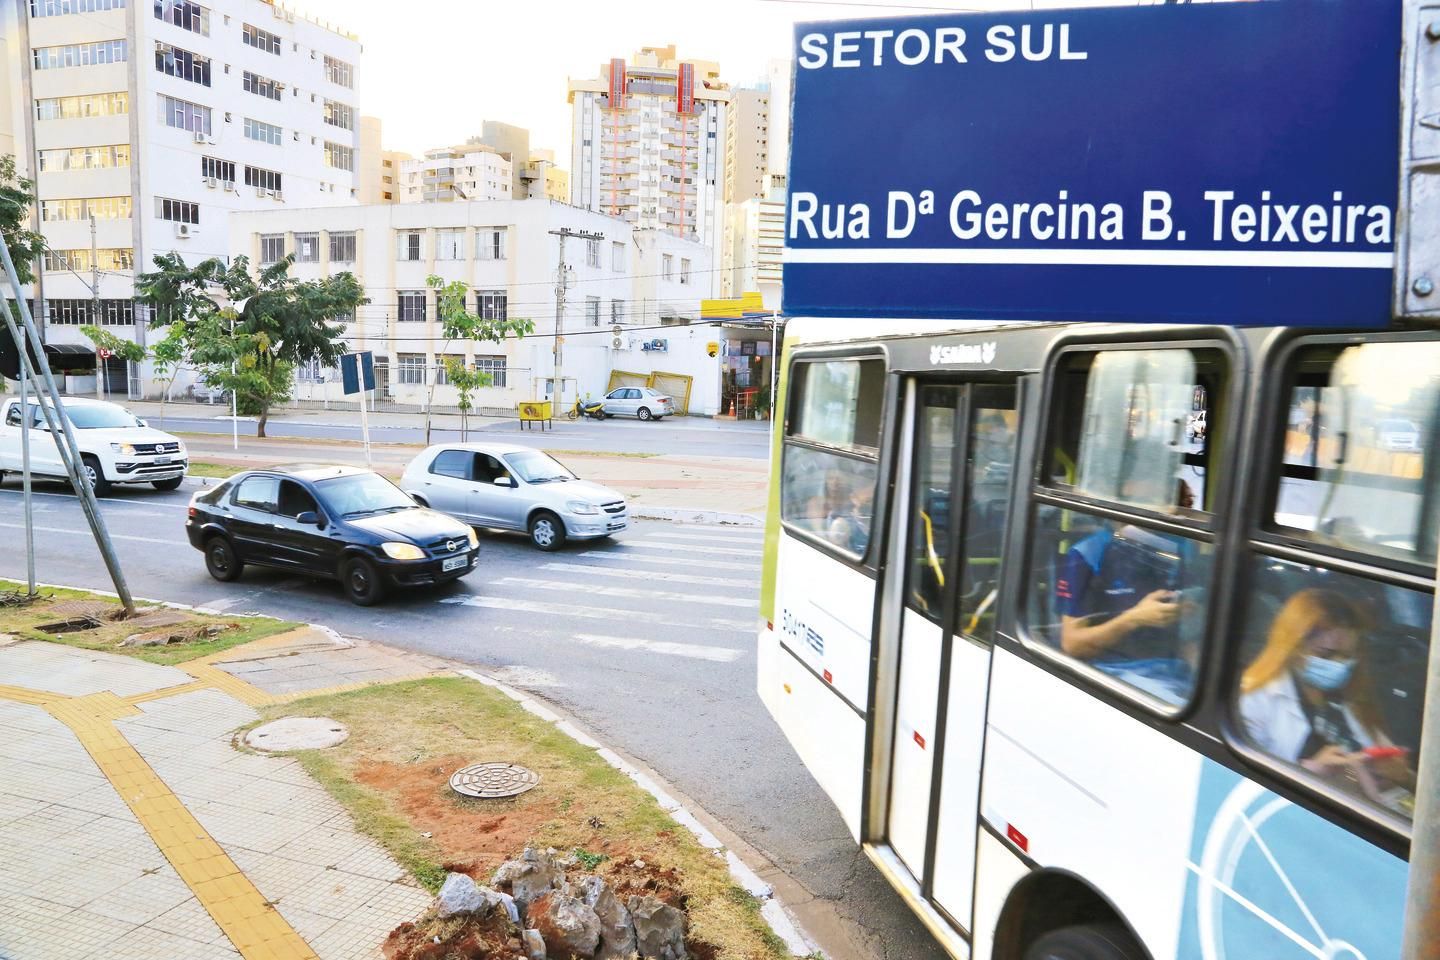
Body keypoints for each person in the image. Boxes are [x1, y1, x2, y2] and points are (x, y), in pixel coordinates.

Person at [1240, 589, 1414, 812]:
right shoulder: (1257, 698)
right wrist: (1311, 773)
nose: (1340, 665)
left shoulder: (1353, 696)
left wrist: (1402, 775)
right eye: (1326, 655)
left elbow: (1387, 760)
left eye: (1348, 656)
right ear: (1293, 647)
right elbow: (1240, 786)